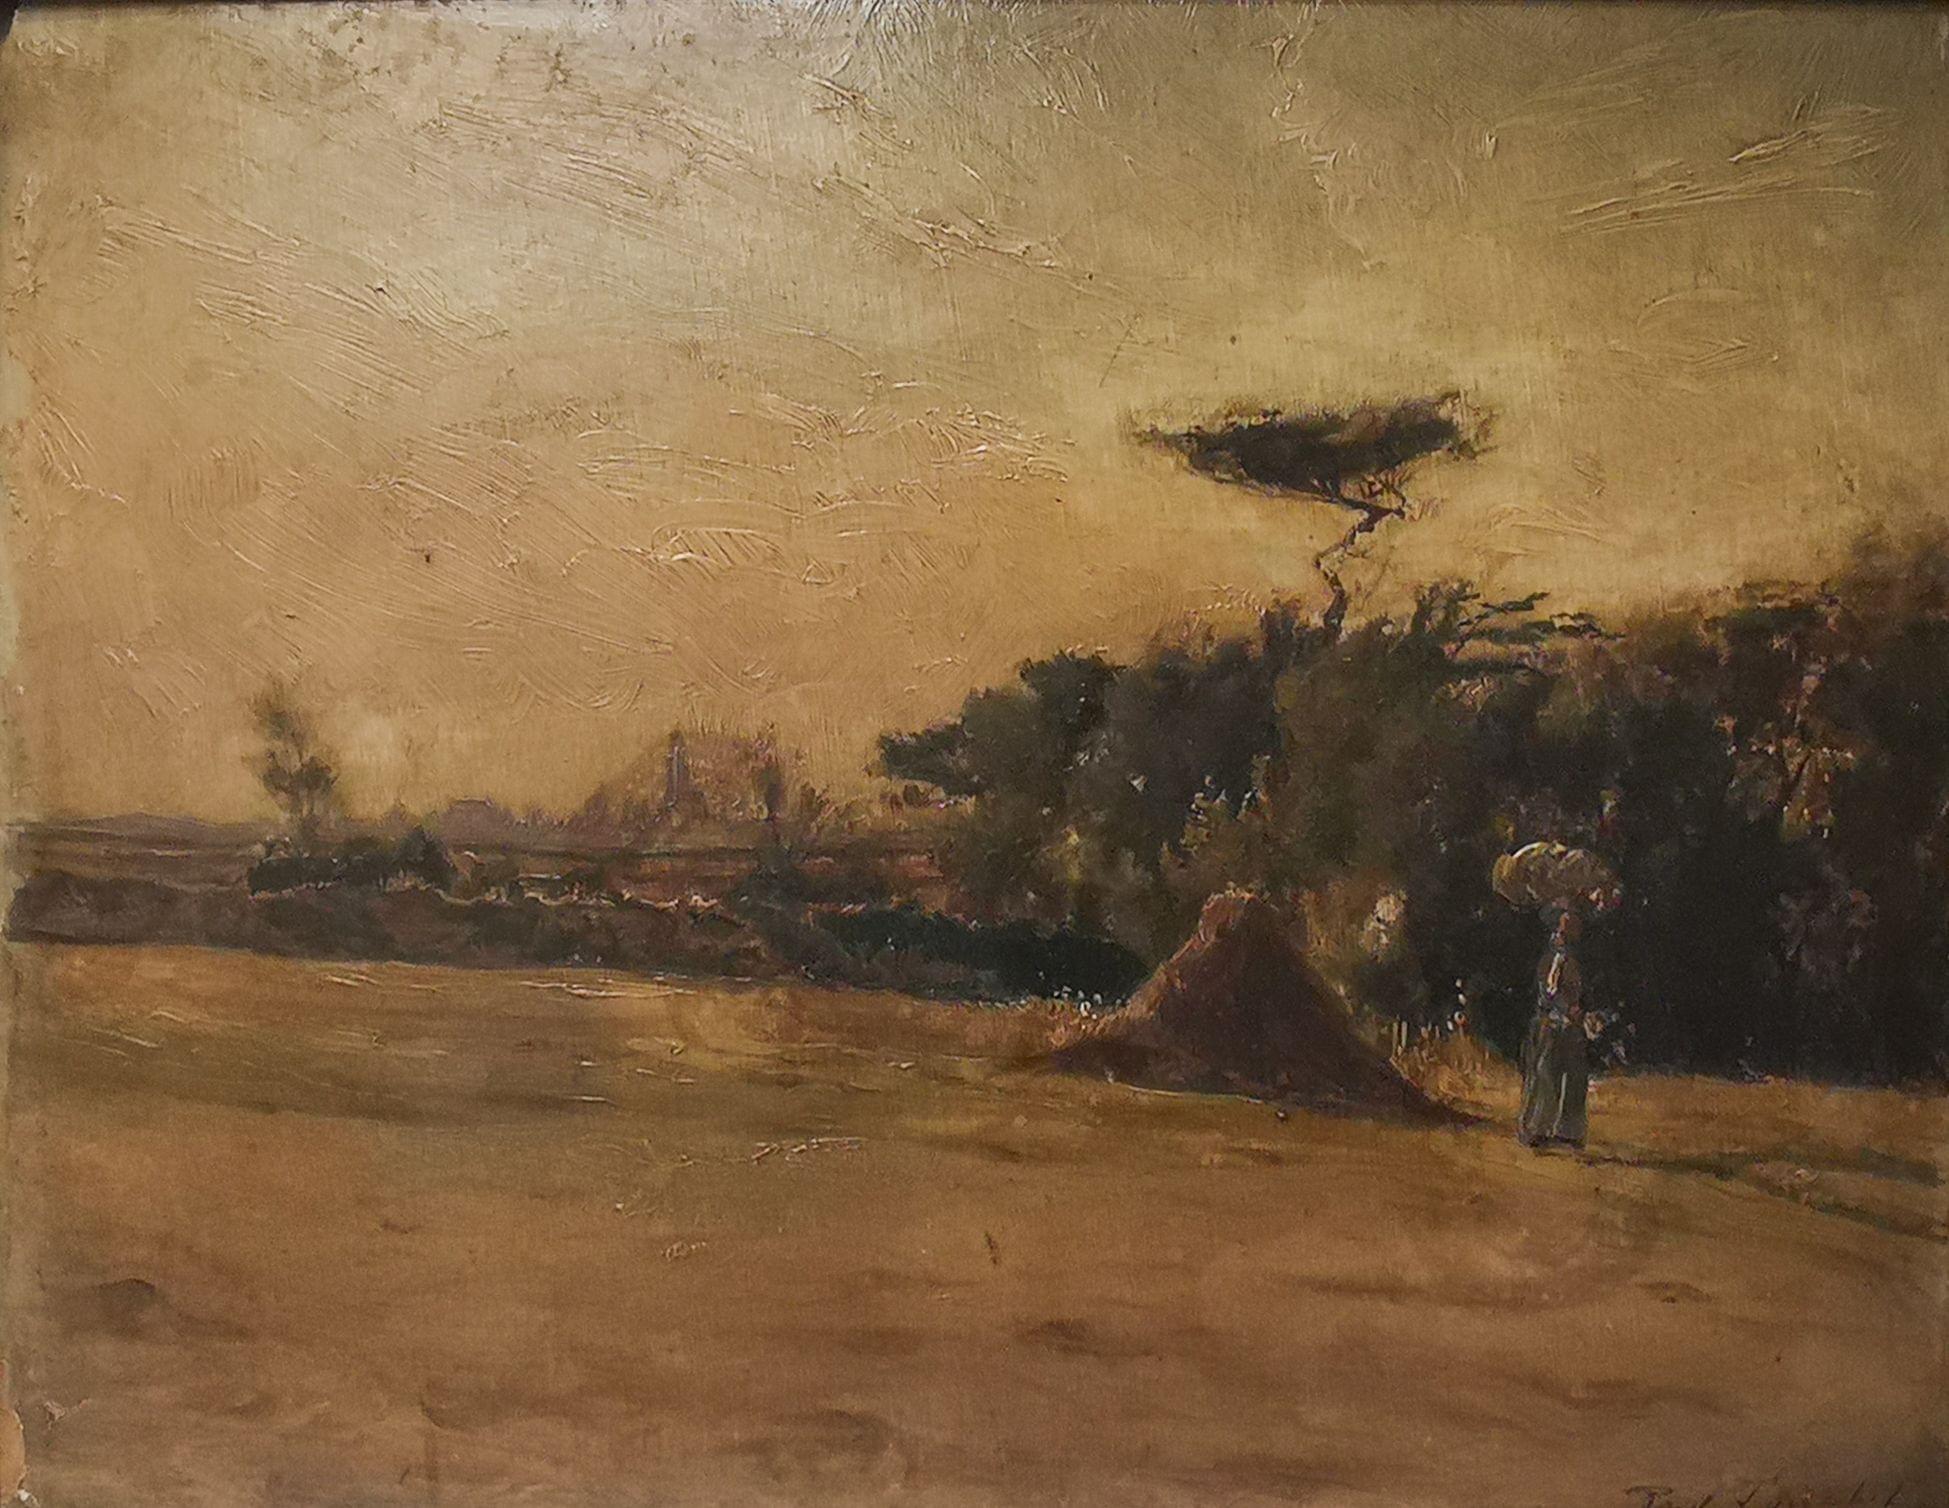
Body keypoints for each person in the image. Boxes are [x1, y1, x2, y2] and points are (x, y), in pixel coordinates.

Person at [1518, 908, 1596, 1150]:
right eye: (1561, 930)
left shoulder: (1578, 961)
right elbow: (1548, 992)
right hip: (1551, 1024)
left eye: (1569, 931)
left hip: (1574, 1027)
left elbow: (1585, 992)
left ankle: (1570, 1131)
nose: (1563, 935)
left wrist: (1585, 1013)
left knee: (1576, 1078)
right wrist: (1567, 1009)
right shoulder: (1550, 960)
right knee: (1545, 1075)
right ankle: (1537, 1128)